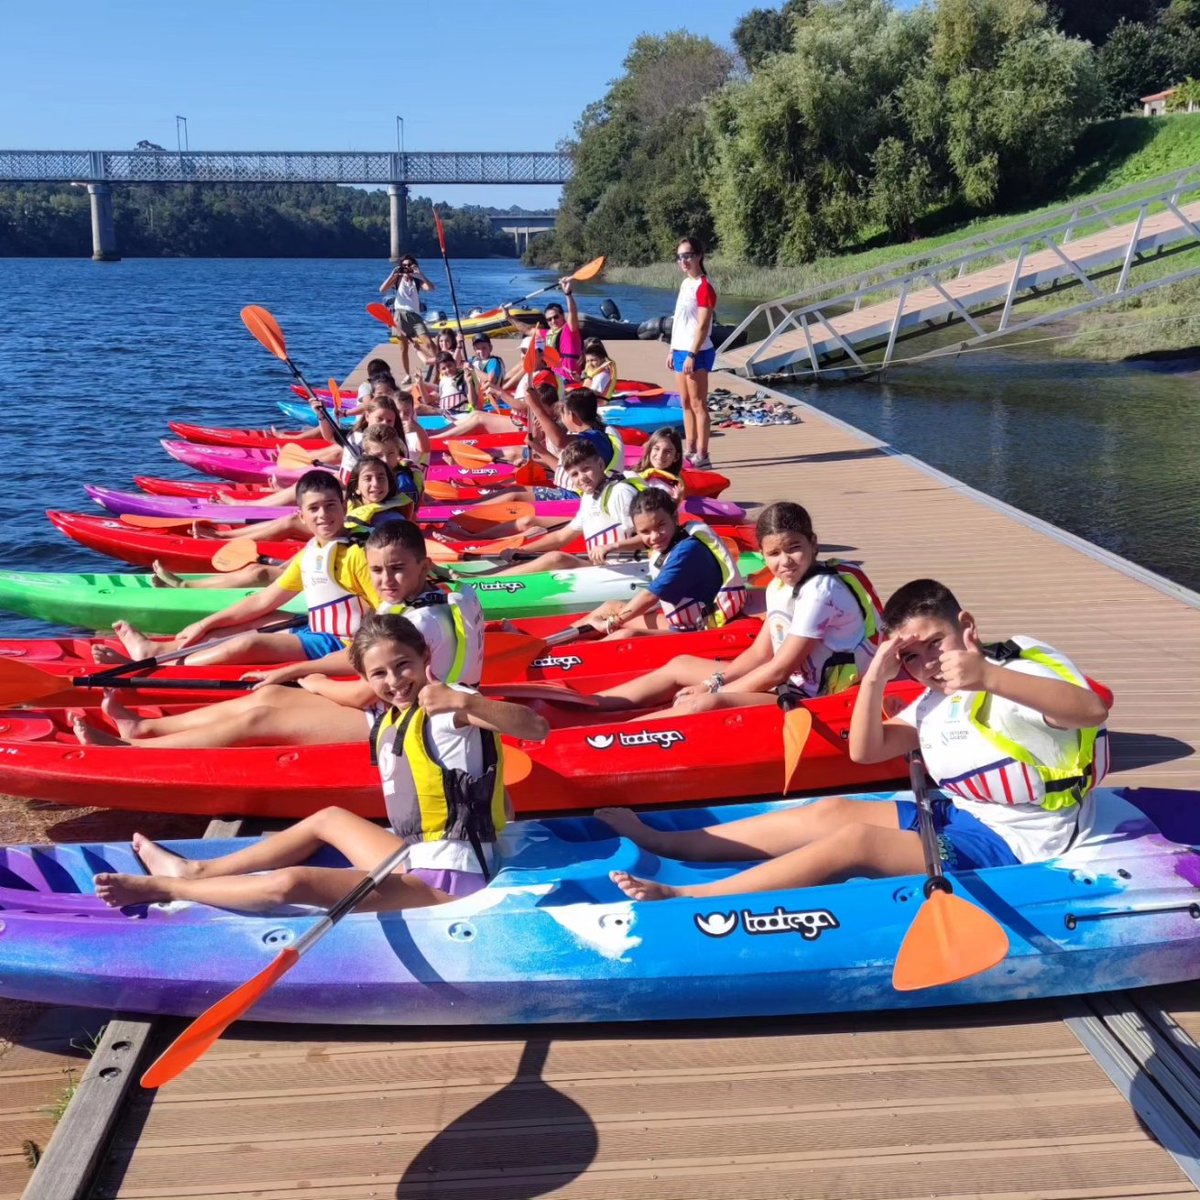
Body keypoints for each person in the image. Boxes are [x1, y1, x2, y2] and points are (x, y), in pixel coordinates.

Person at [599, 577, 1111, 902]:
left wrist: (987, 678)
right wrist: (876, 677)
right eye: (912, 657)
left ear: (967, 626)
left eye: (936, 642)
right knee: (833, 812)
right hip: (961, 814)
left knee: (857, 841)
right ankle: (663, 841)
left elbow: (1091, 708)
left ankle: (690, 898)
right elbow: (866, 751)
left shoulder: (1018, 668)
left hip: (1022, 841)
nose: (928, 663)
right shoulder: (935, 699)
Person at [90, 613, 550, 911]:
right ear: (366, 678)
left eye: (403, 665)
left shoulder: (454, 703)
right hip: (414, 857)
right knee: (329, 819)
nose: (395, 681)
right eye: (380, 674)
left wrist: (464, 701)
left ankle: (168, 888)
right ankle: (197, 871)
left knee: (290, 884)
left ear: (425, 658)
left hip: (452, 883)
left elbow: (534, 728)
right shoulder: (392, 720)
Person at [76, 523, 488, 749]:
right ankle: (144, 730)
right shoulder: (442, 594)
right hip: (412, 705)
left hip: (421, 725)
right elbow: (361, 657)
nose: (385, 580)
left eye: (397, 569)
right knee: (268, 695)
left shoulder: (417, 622)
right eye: (377, 570)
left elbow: (365, 693)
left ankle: (135, 752)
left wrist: (314, 683)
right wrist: (295, 668)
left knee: (263, 716)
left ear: (422, 564)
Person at [591, 501, 878, 718]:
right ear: (763, 554)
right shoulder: (778, 587)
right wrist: (713, 679)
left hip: (822, 699)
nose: (785, 561)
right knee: (680, 664)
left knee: (703, 705)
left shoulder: (821, 591)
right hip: (789, 684)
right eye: (774, 554)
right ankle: (593, 705)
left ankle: (617, 735)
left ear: (813, 544)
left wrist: (713, 690)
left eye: (794, 548)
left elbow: (778, 671)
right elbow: (759, 653)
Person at [96, 471, 377, 671]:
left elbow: (387, 610)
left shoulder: (359, 553)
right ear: (302, 516)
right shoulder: (312, 551)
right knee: (252, 621)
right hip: (319, 631)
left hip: (343, 645)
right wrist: (206, 623)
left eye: (330, 506)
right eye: (314, 508)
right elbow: (263, 600)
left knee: (247, 644)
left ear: (344, 506)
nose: (323, 515)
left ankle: (163, 666)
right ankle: (158, 651)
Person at [573, 488, 745, 639]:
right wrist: (613, 546)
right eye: (645, 531)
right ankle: (553, 644)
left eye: (660, 525)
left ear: (674, 518)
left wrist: (613, 622)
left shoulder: (688, 551)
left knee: (626, 634)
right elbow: (646, 539)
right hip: (684, 624)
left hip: (700, 630)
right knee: (611, 606)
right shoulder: (675, 538)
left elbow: (650, 596)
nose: (654, 536)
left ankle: (566, 659)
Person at [487, 437, 643, 575]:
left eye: (586, 469)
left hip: (630, 571)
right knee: (545, 557)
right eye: (574, 474)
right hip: (604, 568)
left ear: (600, 464)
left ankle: (485, 585)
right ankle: (490, 580)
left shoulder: (620, 492)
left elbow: (647, 538)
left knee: (557, 558)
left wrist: (611, 547)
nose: (582, 478)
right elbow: (562, 537)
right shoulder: (589, 497)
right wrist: (522, 550)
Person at [669, 236, 717, 469]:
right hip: (679, 349)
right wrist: (672, 349)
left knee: (699, 404)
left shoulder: (703, 287)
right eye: (680, 257)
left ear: (699, 256)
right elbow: (680, 321)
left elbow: (703, 325)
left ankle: (703, 454)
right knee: (685, 403)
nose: (683, 261)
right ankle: (689, 449)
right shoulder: (685, 284)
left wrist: (691, 354)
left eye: (687, 255)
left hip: (695, 352)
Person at [379, 254, 436, 379]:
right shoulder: (397, 279)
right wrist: (393, 274)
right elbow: (382, 290)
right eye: (404, 265)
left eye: (409, 265)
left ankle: (438, 364)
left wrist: (420, 274)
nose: (406, 268)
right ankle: (407, 375)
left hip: (415, 316)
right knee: (403, 348)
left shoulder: (417, 280)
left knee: (428, 343)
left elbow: (431, 288)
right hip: (400, 315)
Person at [628, 426, 687, 501]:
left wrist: (676, 502)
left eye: (667, 451)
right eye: (656, 449)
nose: (660, 455)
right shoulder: (634, 473)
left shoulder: (673, 489)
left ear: (676, 457)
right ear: (650, 450)